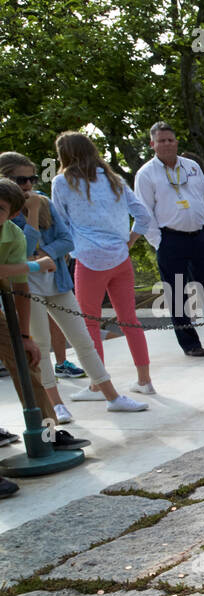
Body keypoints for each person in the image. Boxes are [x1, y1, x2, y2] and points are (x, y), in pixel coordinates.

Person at [0, 176, 93, 483]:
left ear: (13, 214)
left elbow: (20, 287)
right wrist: (38, 265)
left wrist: (25, 337)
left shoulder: (13, 235)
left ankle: (48, 434)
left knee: (29, 361)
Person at [49, 132, 155, 397]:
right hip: (120, 257)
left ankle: (98, 383)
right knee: (129, 319)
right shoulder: (115, 180)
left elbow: (59, 224)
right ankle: (145, 380)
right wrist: (129, 241)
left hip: (88, 259)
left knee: (89, 323)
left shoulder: (62, 182)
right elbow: (143, 215)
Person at [134, 121, 204, 357]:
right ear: (152, 144)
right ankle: (190, 344)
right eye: (161, 141)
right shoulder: (146, 174)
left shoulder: (191, 166)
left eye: (170, 140)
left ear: (176, 142)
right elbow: (144, 211)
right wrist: (158, 241)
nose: (167, 144)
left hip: (200, 235)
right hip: (170, 239)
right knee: (177, 293)